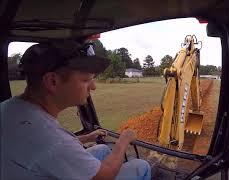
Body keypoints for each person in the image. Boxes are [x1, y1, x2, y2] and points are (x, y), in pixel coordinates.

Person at [0, 40, 151, 180]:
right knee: (141, 166)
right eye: (86, 80)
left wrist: (85, 138)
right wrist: (123, 141)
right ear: (52, 81)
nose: (93, 87)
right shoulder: (51, 138)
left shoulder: (9, 108)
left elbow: (50, 151)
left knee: (102, 149)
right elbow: (104, 175)